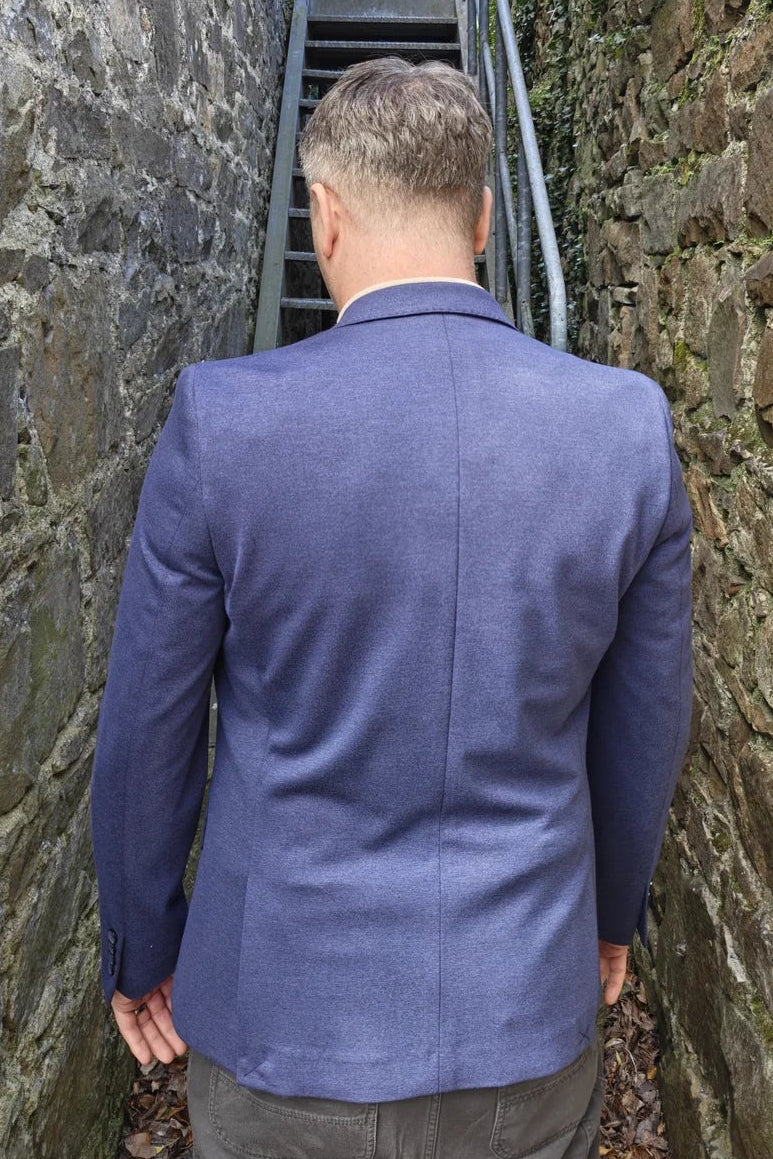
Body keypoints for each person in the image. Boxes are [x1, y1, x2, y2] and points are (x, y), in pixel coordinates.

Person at [90, 56, 693, 1159]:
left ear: (323, 215)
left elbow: (148, 733)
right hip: (522, 1013)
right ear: (482, 216)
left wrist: (141, 944)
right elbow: (642, 728)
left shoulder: (223, 424)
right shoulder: (622, 428)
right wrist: (607, 919)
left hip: (281, 1025)